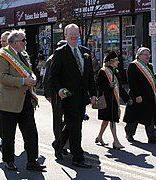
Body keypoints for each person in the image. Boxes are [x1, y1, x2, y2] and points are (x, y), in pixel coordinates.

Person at [0, 29, 46, 171]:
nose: (25, 42)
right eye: (23, 40)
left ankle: (32, 161)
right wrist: (23, 81)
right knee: (9, 135)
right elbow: (3, 78)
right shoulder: (2, 56)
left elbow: (29, 71)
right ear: (14, 43)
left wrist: (33, 78)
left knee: (30, 132)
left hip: (26, 100)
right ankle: (9, 161)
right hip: (8, 103)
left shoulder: (23, 55)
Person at [50, 23, 97, 168]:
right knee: (76, 127)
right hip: (68, 97)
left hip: (82, 97)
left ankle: (58, 143)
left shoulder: (85, 52)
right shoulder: (60, 52)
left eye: (76, 35)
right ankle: (78, 157)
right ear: (65, 36)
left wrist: (93, 94)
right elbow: (54, 76)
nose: (74, 37)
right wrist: (59, 90)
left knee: (73, 124)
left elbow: (89, 77)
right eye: (71, 35)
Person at [95, 51, 131, 150]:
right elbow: (98, 85)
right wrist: (107, 85)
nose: (118, 62)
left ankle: (99, 137)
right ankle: (116, 141)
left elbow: (120, 87)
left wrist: (127, 98)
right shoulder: (103, 71)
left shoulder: (115, 71)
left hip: (114, 99)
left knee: (107, 119)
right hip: (107, 100)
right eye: (116, 60)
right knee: (111, 119)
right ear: (110, 62)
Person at [123, 47, 156, 143]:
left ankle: (151, 136)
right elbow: (132, 82)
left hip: (149, 96)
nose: (147, 56)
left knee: (150, 116)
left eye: (148, 54)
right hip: (137, 95)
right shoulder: (133, 66)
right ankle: (129, 133)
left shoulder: (149, 66)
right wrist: (137, 95)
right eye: (145, 54)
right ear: (139, 56)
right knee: (134, 116)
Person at [43, 40, 68, 160]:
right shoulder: (52, 60)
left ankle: (63, 143)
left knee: (69, 121)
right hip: (56, 95)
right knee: (58, 121)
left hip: (69, 95)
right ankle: (58, 145)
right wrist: (48, 94)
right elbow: (47, 78)